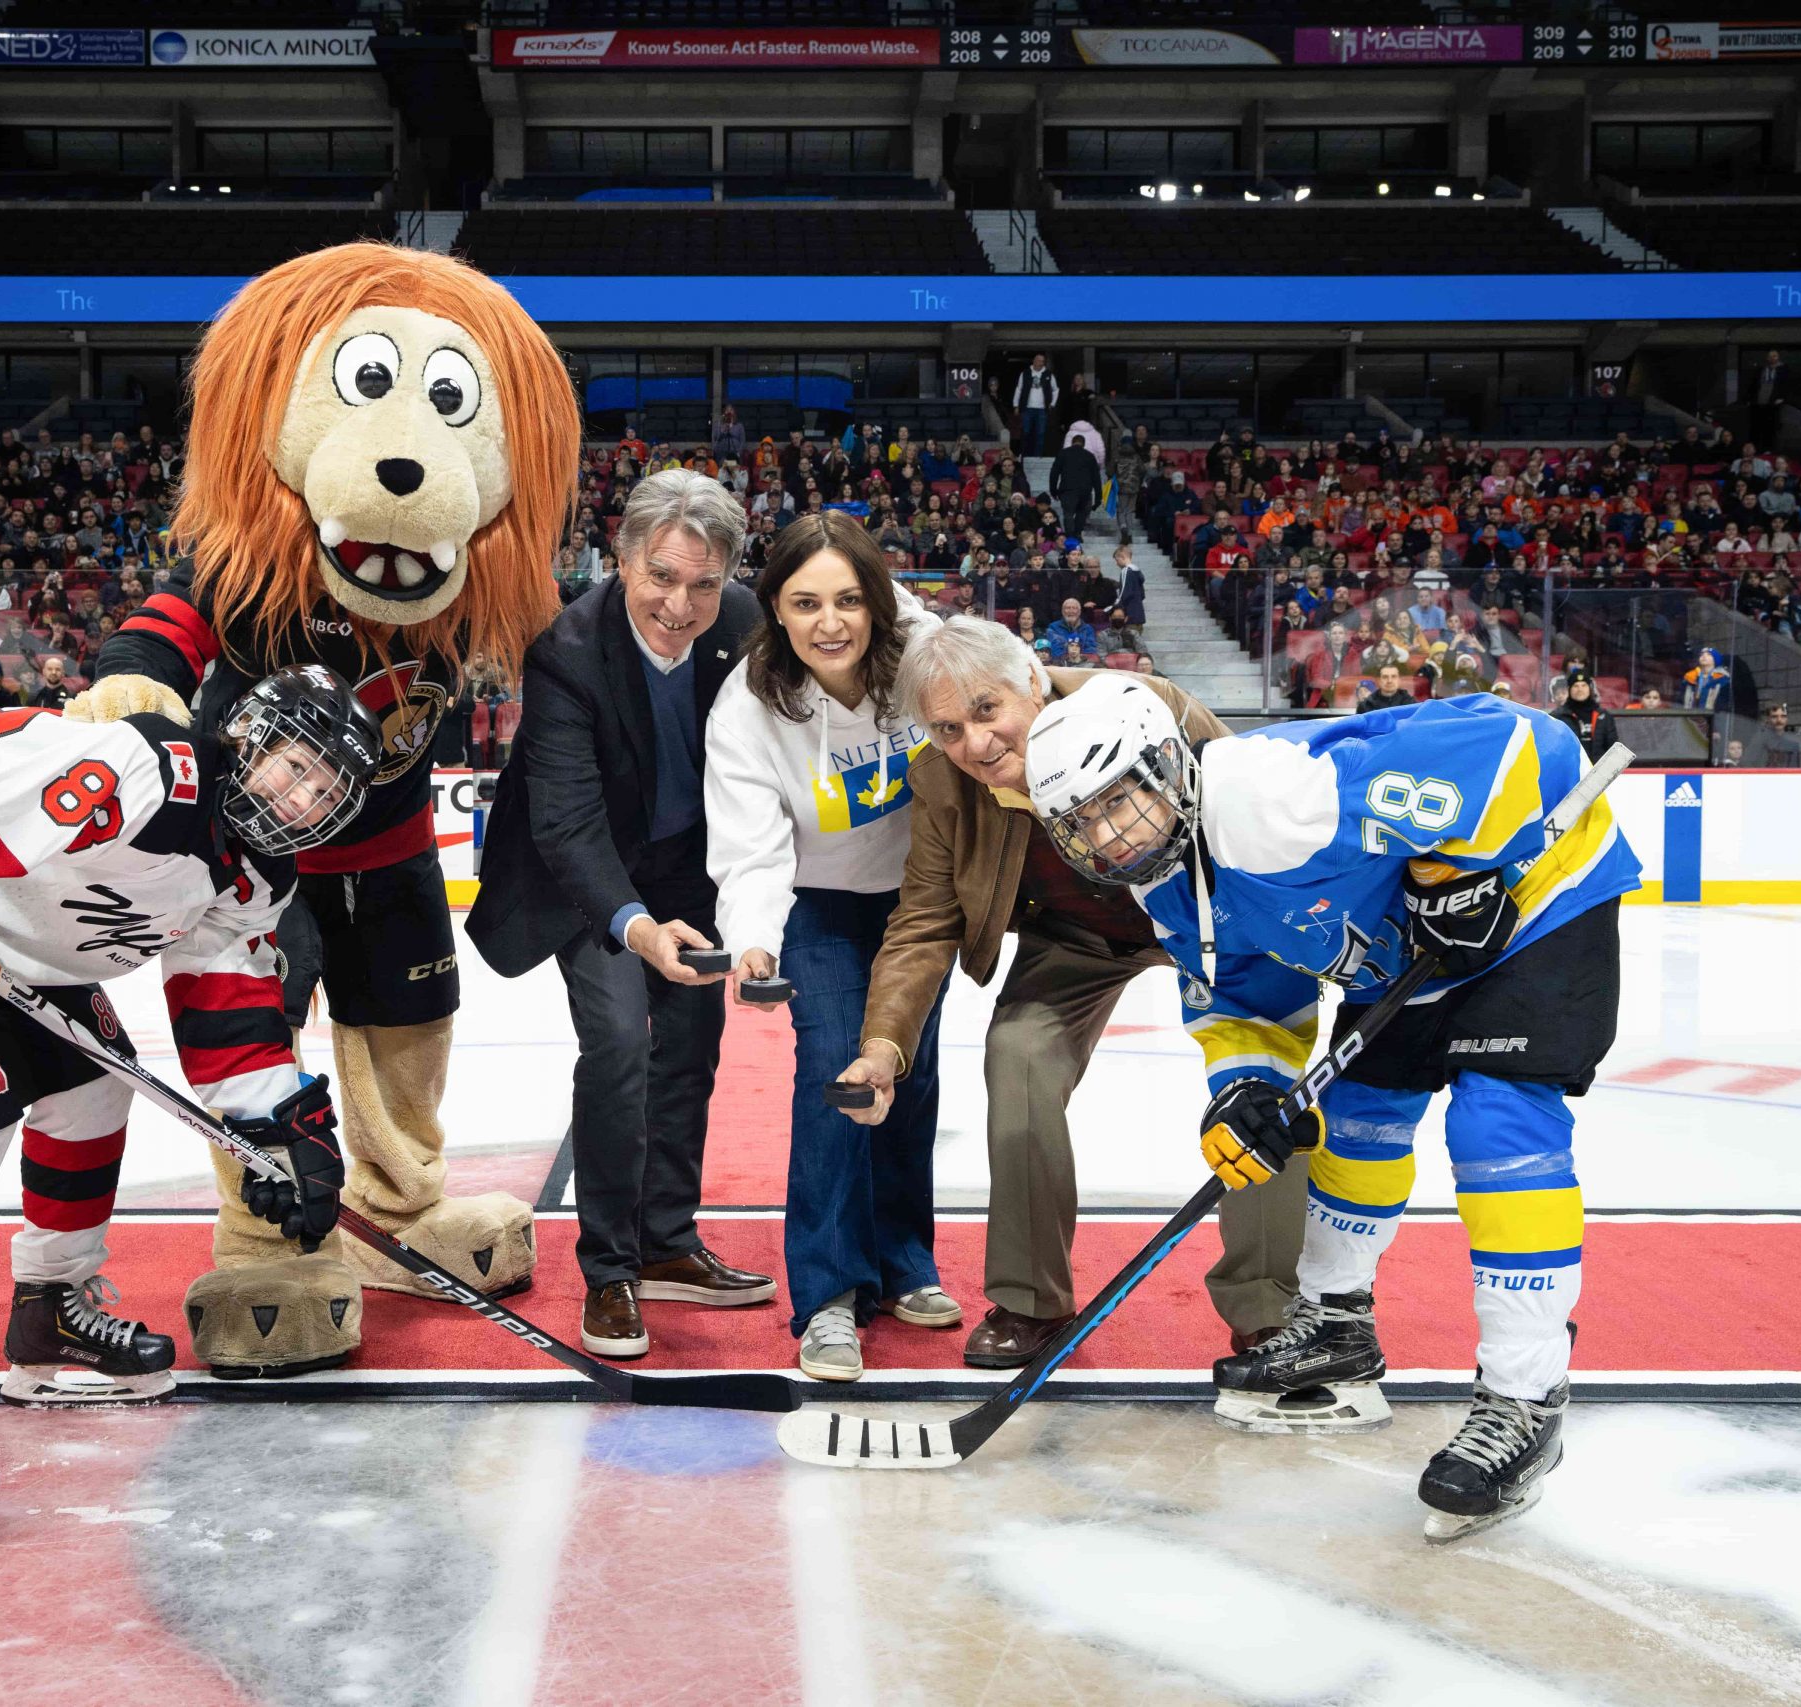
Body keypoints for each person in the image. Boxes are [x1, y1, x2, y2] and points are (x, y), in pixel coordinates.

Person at [1028, 678, 1640, 1542]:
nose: (1107, 836)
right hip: (1412, 951)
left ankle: (1524, 1394)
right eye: (1081, 822)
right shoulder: (1163, 883)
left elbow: (1517, 745)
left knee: (1496, 1122)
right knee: (1357, 1113)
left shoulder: (1270, 798)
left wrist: (1451, 872)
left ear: (1167, 767)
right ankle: (1335, 1321)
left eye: (1117, 803)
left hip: (1540, 906)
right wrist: (1246, 1090)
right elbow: (1245, 1000)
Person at [0, 667, 382, 1545]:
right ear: (248, 739)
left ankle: (50, 1311)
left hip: (14, 932)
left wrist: (281, 1131)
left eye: (322, 792)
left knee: (95, 1087)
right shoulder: (149, 774)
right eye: (293, 767)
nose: (298, 800)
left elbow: (226, 1000)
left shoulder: (260, 876)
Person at [832, 619, 1300, 1368]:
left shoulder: (1152, 705)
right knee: (1016, 1055)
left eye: (987, 711)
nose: (975, 744)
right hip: (1075, 938)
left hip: (1206, 918)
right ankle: (1029, 1300)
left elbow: (1256, 812)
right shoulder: (946, 781)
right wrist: (883, 1046)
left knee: (1264, 1090)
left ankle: (1273, 1310)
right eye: (948, 728)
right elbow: (924, 920)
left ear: (1031, 678)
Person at [467, 469, 775, 1360]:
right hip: (589, 877)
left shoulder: (747, 625)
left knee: (691, 1046)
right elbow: (566, 819)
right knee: (618, 1043)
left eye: (705, 585)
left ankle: (667, 1242)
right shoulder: (567, 647)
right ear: (622, 559)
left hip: (691, 868)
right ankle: (608, 1267)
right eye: (662, 578)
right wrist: (637, 927)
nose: (681, 605)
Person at [704, 512, 949, 1382]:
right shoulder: (748, 704)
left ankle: (905, 1260)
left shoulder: (928, 650)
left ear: (879, 602)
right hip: (819, 905)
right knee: (839, 1073)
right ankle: (830, 1295)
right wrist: (756, 940)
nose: (831, 622)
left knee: (910, 1074)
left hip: (920, 900)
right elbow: (751, 845)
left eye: (849, 599)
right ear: (774, 606)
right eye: (806, 603)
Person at [1010, 354, 1059, 458]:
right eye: (1039, 360)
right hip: (1027, 408)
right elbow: (1019, 389)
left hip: (1042, 409)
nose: (1040, 363)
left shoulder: (1048, 374)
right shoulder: (1025, 373)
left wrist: (1052, 404)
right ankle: (1024, 456)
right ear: (1034, 361)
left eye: (1042, 361)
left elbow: (1056, 390)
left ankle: (1038, 457)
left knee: (1040, 434)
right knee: (1026, 433)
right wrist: (1016, 405)